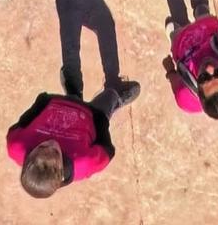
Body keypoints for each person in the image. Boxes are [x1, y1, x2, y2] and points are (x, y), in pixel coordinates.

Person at [7, 76, 140, 198]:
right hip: (91, 115)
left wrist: (42, 102)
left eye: (41, 146)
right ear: (61, 170)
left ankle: (73, 91)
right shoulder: (84, 163)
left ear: (28, 158)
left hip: (57, 103)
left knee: (73, 86)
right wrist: (99, 116)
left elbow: (22, 123)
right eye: (55, 152)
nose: (52, 142)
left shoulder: (16, 146)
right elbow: (107, 150)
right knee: (108, 97)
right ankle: (116, 98)